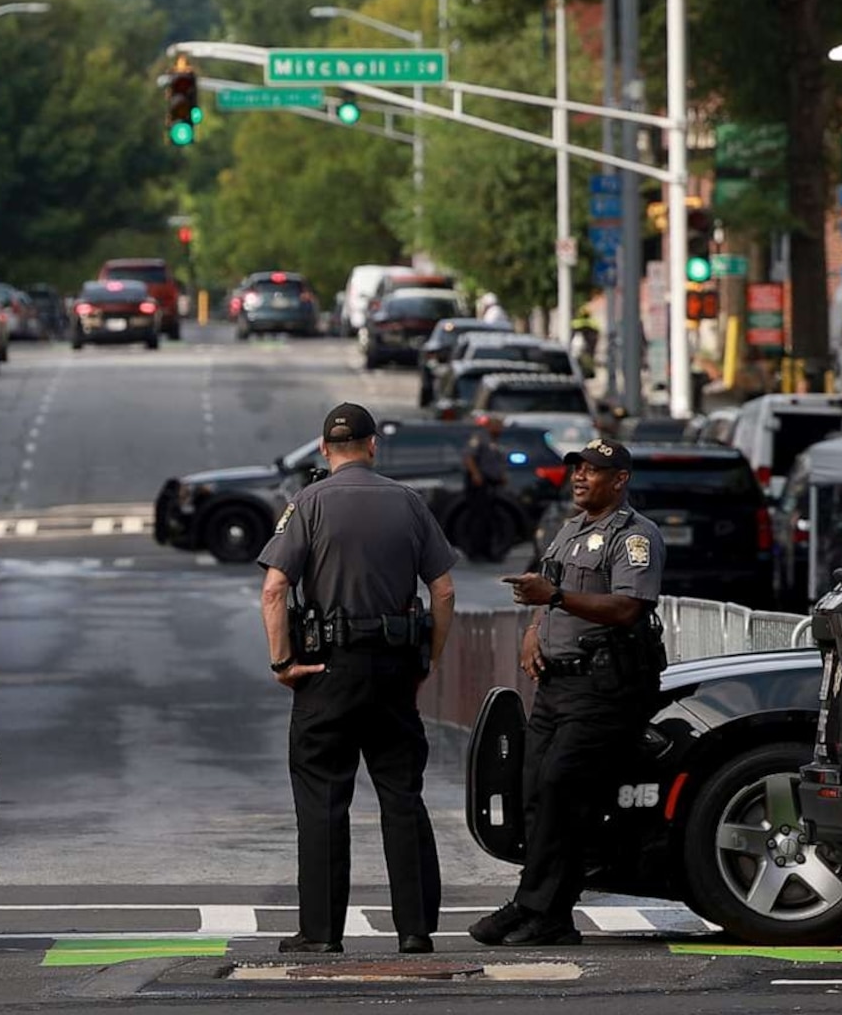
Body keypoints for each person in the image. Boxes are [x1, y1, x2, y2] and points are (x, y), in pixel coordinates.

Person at [257, 400, 459, 956]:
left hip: (325, 672)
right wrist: (428, 660)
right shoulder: (409, 502)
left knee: (323, 799)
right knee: (402, 795)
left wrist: (283, 664)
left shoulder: (307, 504)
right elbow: (442, 590)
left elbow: (275, 589)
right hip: (394, 670)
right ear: (374, 446)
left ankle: (321, 934)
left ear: (325, 449)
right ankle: (415, 930)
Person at [473, 435, 665, 948]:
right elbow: (549, 592)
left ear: (620, 480)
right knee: (535, 792)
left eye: (592, 471)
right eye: (576, 469)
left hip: (604, 686)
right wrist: (536, 627)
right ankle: (544, 913)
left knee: (562, 789)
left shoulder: (634, 537)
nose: (579, 477)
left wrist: (554, 595)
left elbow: (628, 607)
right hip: (557, 685)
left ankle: (537, 908)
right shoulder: (569, 531)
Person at [448, 421, 521, 564]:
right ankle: (476, 552)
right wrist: (476, 474)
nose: (500, 429)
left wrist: (502, 475)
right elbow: (468, 457)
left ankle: (490, 551)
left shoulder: (496, 442)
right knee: (478, 518)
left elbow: (498, 462)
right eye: (497, 425)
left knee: (490, 518)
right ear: (489, 426)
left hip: (492, 485)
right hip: (479, 485)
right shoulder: (480, 438)